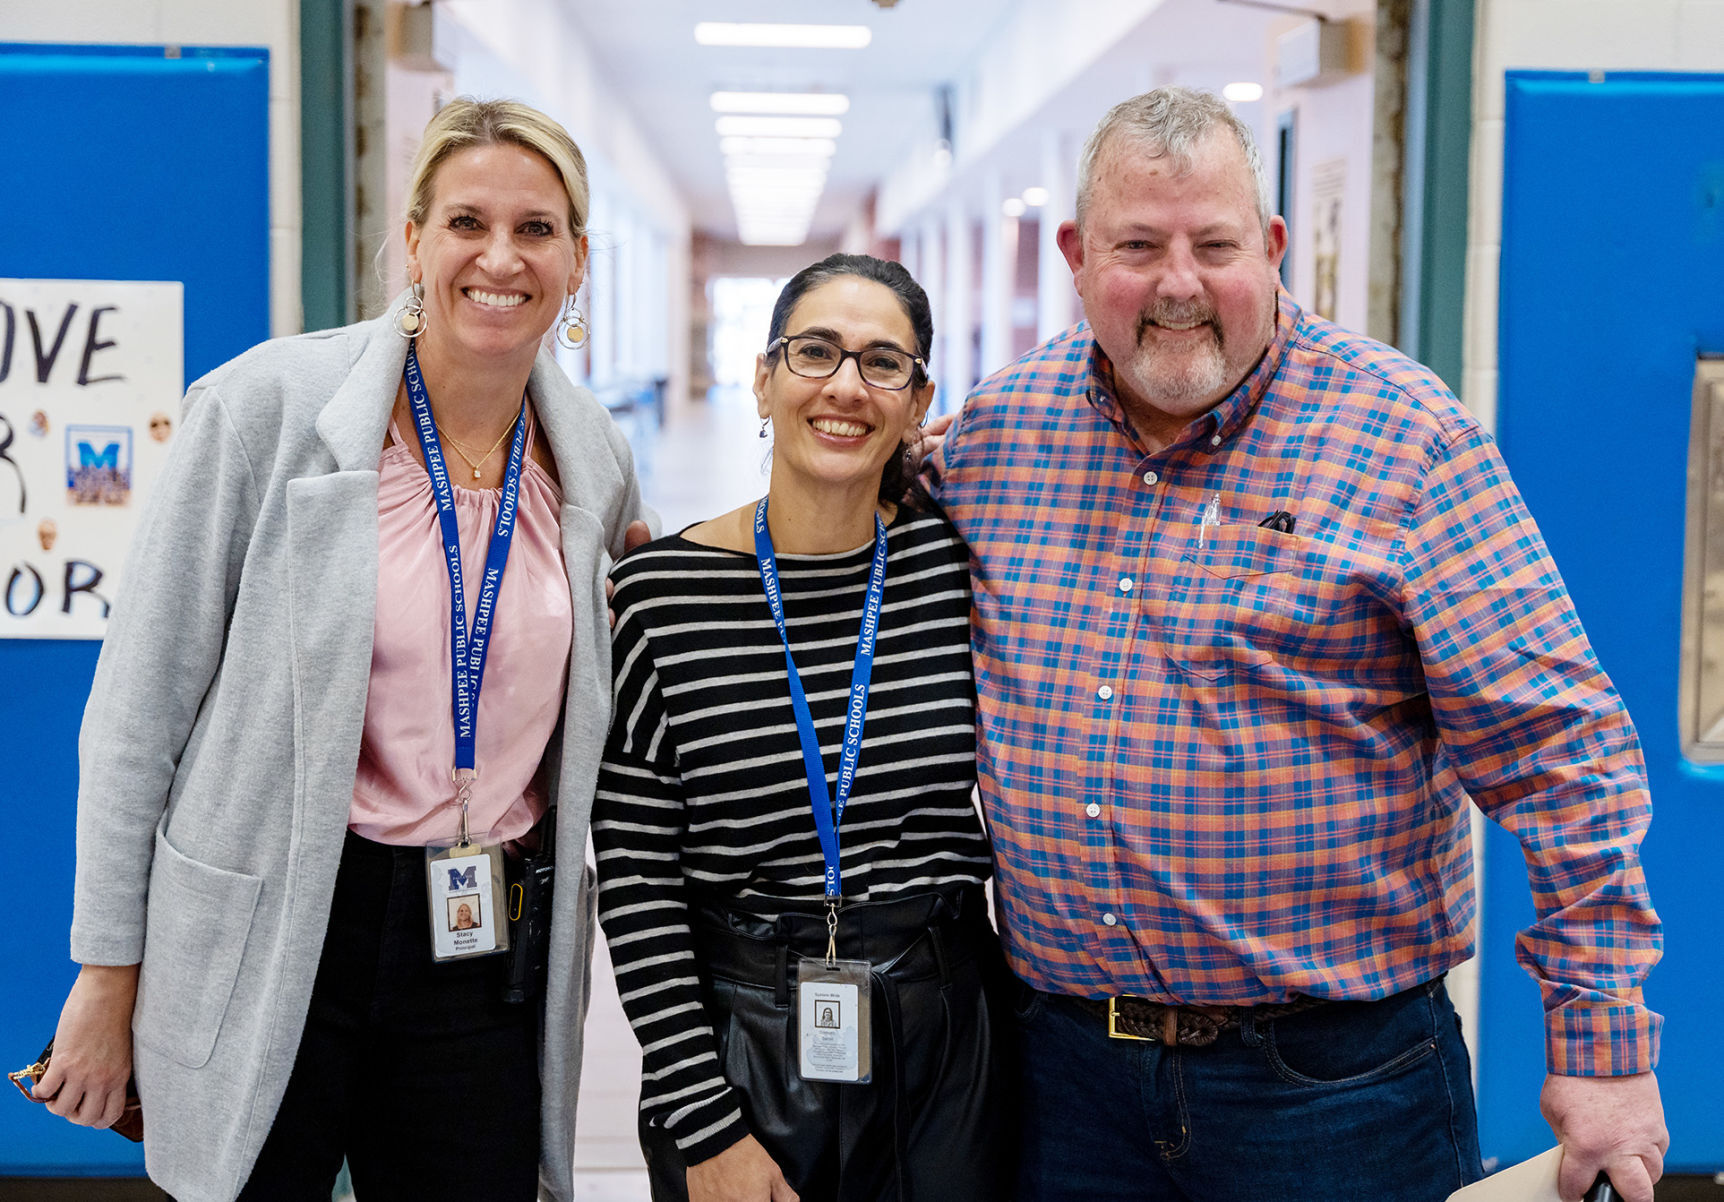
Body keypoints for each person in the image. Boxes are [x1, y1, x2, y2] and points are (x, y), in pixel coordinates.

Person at [923, 86, 1667, 1202]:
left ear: (1269, 248)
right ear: (1077, 257)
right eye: (1137, 244)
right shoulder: (997, 436)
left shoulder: (1404, 438)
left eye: (1212, 244)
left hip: (1332, 1093)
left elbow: (1563, 750)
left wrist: (1603, 1051)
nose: (1178, 282)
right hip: (1060, 1078)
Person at [36, 97, 647, 1202]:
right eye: (467, 221)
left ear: (578, 258)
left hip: (481, 941)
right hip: (284, 919)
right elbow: (136, 713)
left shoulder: (592, 457)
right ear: (411, 239)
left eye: (537, 228)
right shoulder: (264, 409)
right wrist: (105, 972)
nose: (500, 258)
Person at [594, 253, 1011, 1202]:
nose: (845, 387)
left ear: (918, 399)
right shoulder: (665, 600)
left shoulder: (953, 572)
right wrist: (705, 1126)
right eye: (815, 352)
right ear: (764, 378)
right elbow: (636, 876)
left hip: (948, 1039)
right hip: (745, 1040)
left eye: (882, 363)